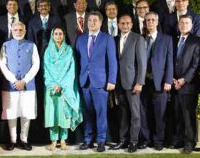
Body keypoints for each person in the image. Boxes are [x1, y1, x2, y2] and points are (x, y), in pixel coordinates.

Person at [76, 11, 117, 152]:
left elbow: (112, 61)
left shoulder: (107, 38)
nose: (92, 23)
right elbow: (78, 61)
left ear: (100, 23)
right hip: (85, 82)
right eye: (90, 20)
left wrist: (112, 80)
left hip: (100, 82)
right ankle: (88, 140)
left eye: (95, 21)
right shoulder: (80, 39)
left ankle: (101, 140)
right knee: (87, 112)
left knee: (101, 113)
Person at [0, 21, 40, 151]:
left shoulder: (31, 45)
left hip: (28, 86)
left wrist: (25, 81)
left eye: (20, 29)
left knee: (26, 113)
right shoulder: (5, 45)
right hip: (10, 86)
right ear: (11, 30)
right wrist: (13, 80)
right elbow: (2, 64)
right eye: (15, 29)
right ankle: (12, 140)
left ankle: (24, 139)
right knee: (11, 113)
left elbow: (36, 64)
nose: (18, 31)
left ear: (25, 30)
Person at [110, 15, 146, 153]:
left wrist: (139, 82)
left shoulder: (138, 38)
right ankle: (122, 140)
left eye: (128, 23)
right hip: (119, 83)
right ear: (118, 25)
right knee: (123, 113)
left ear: (131, 25)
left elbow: (142, 63)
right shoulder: (114, 39)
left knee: (135, 114)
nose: (125, 25)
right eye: (122, 23)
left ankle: (134, 142)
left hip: (133, 84)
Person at [43, 27, 83, 151]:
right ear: (52, 35)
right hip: (52, 89)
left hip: (64, 89)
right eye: (56, 34)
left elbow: (71, 71)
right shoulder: (48, 51)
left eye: (60, 34)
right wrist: (53, 85)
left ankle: (63, 140)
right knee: (52, 114)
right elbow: (45, 70)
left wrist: (62, 85)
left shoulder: (68, 50)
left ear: (64, 35)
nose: (58, 36)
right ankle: (54, 140)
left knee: (64, 114)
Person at [139, 11, 173, 151]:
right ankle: (146, 139)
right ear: (145, 23)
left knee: (160, 114)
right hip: (143, 83)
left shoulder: (167, 39)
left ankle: (158, 140)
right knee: (144, 113)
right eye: (148, 20)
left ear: (157, 22)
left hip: (159, 83)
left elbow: (170, 62)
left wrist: (168, 81)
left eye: (153, 20)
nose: (150, 22)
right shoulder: (140, 39)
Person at [171, 15, 200, 154]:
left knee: (188, 115)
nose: (184, 25)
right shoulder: (174, 40)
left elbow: (196, 64)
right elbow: (171, 61)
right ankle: (179, 140)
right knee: (177, 114)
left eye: (187, 23)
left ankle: (190, 142)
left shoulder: (198, 41)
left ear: (192, 25)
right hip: (174, 84)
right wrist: (172, 79)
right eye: (182, 22)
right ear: (178, 25)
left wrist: (183, 80)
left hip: (188, 85)